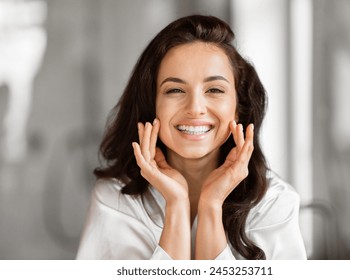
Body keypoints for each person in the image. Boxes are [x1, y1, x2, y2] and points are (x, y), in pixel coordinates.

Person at [76, 15, 307, 260]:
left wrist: (211, 206)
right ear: (151, 105)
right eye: (175, 90)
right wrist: (176, 204)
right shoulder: (115, 199)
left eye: (214, 90)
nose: (195, 107)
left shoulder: (273, 203)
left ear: (239, 108)